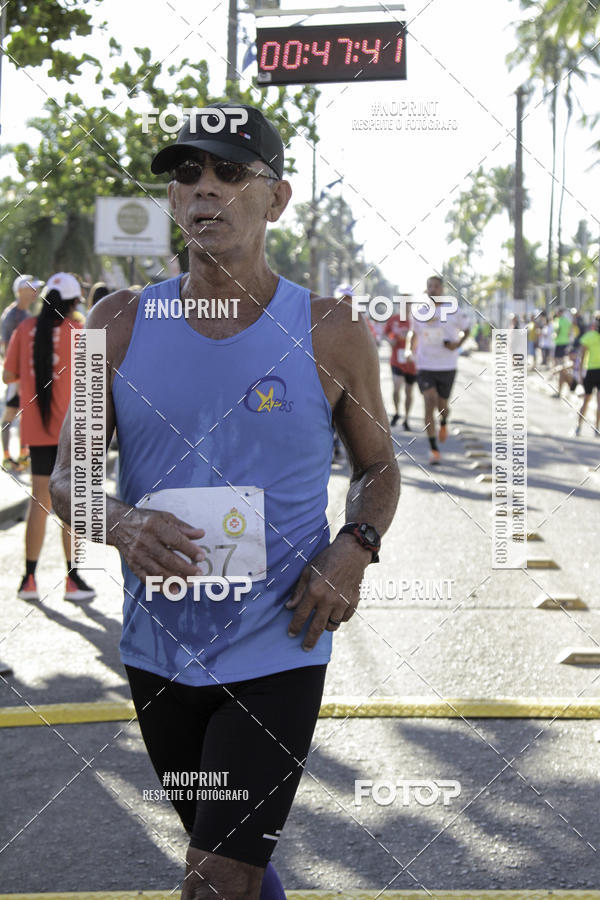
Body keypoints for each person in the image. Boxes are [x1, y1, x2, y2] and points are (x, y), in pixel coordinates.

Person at [50, 102, 400, 900]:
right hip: (157, 647)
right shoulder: (117, 323)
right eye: (186, 174)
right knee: (229, 863)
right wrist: (120, 520)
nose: (204, 190)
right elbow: (70, 477)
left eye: (229, 172)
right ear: (173, 200)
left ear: (276, 198)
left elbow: (379, 467)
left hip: (281, 642)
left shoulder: (330, 328)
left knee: (215, 875)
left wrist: (355, 548)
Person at [3, 273, 96, 603]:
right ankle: (72, 582)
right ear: (73, 303)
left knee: (38, 505)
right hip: (72, 433)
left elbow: (8, 375)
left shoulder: (24, 330)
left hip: (36, 432)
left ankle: (29, 581)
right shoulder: (80, 332)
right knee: (71, 506)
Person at [405, 275, 470, 465]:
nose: (433, 289)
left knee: (442, 406)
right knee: (429, 401)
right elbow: (413, 332)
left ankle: (443, 423)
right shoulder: (420, 310)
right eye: (430, 286)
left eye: (436, 286)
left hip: (447, 365)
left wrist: (457, 344)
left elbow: (467, 329)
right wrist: (409, 349)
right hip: (425, 365)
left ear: (442, 289)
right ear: (426, 290)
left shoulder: (453, 310)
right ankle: (433, 449)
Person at [1, 275, 43, 471]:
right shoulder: (12, 316)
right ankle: (8, 457)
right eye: (31, 289)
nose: (35, 292)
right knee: (10, 412)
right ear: (20, 291)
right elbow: (8, 348)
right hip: (16, 376)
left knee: (26, 413)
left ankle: (23, 456)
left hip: (26, 375)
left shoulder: (25, 314)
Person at [384, 305, 416, 429]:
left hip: (411, 362)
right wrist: (391, 340)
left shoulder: (415, 320)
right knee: (397, 387)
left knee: (409, 391)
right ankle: (397, 412)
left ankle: (406, 418)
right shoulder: (393, 319)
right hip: (396, 360)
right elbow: (386, 334)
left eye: (408, 304)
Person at [573, 313, 600, 437]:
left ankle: (590, 428)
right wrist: (579, 374)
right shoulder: (589, 336)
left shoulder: (589, 336)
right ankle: (585, 427)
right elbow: (582, 356)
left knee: (588, 401)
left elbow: (581, 356)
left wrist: (579, 374)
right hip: (592, 371)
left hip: (591, 372)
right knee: (589, 401)